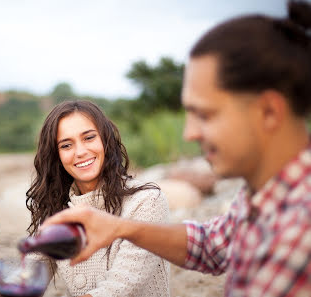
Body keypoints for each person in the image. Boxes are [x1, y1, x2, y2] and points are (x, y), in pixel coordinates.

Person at [42, 1, 311, 296]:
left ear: (269, 111)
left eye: (205, 114)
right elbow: (210, 245)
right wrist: (122, 229)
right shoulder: (264, 195)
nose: (189, 133)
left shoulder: (299, 230)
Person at [0, 100, 171, 297]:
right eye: (66, 145)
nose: (80, 152)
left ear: (105, 141)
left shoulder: (146, 202)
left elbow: (120, 288)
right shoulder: (59, 211)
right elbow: (28, 283)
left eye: (89, 138)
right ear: (57, 156)